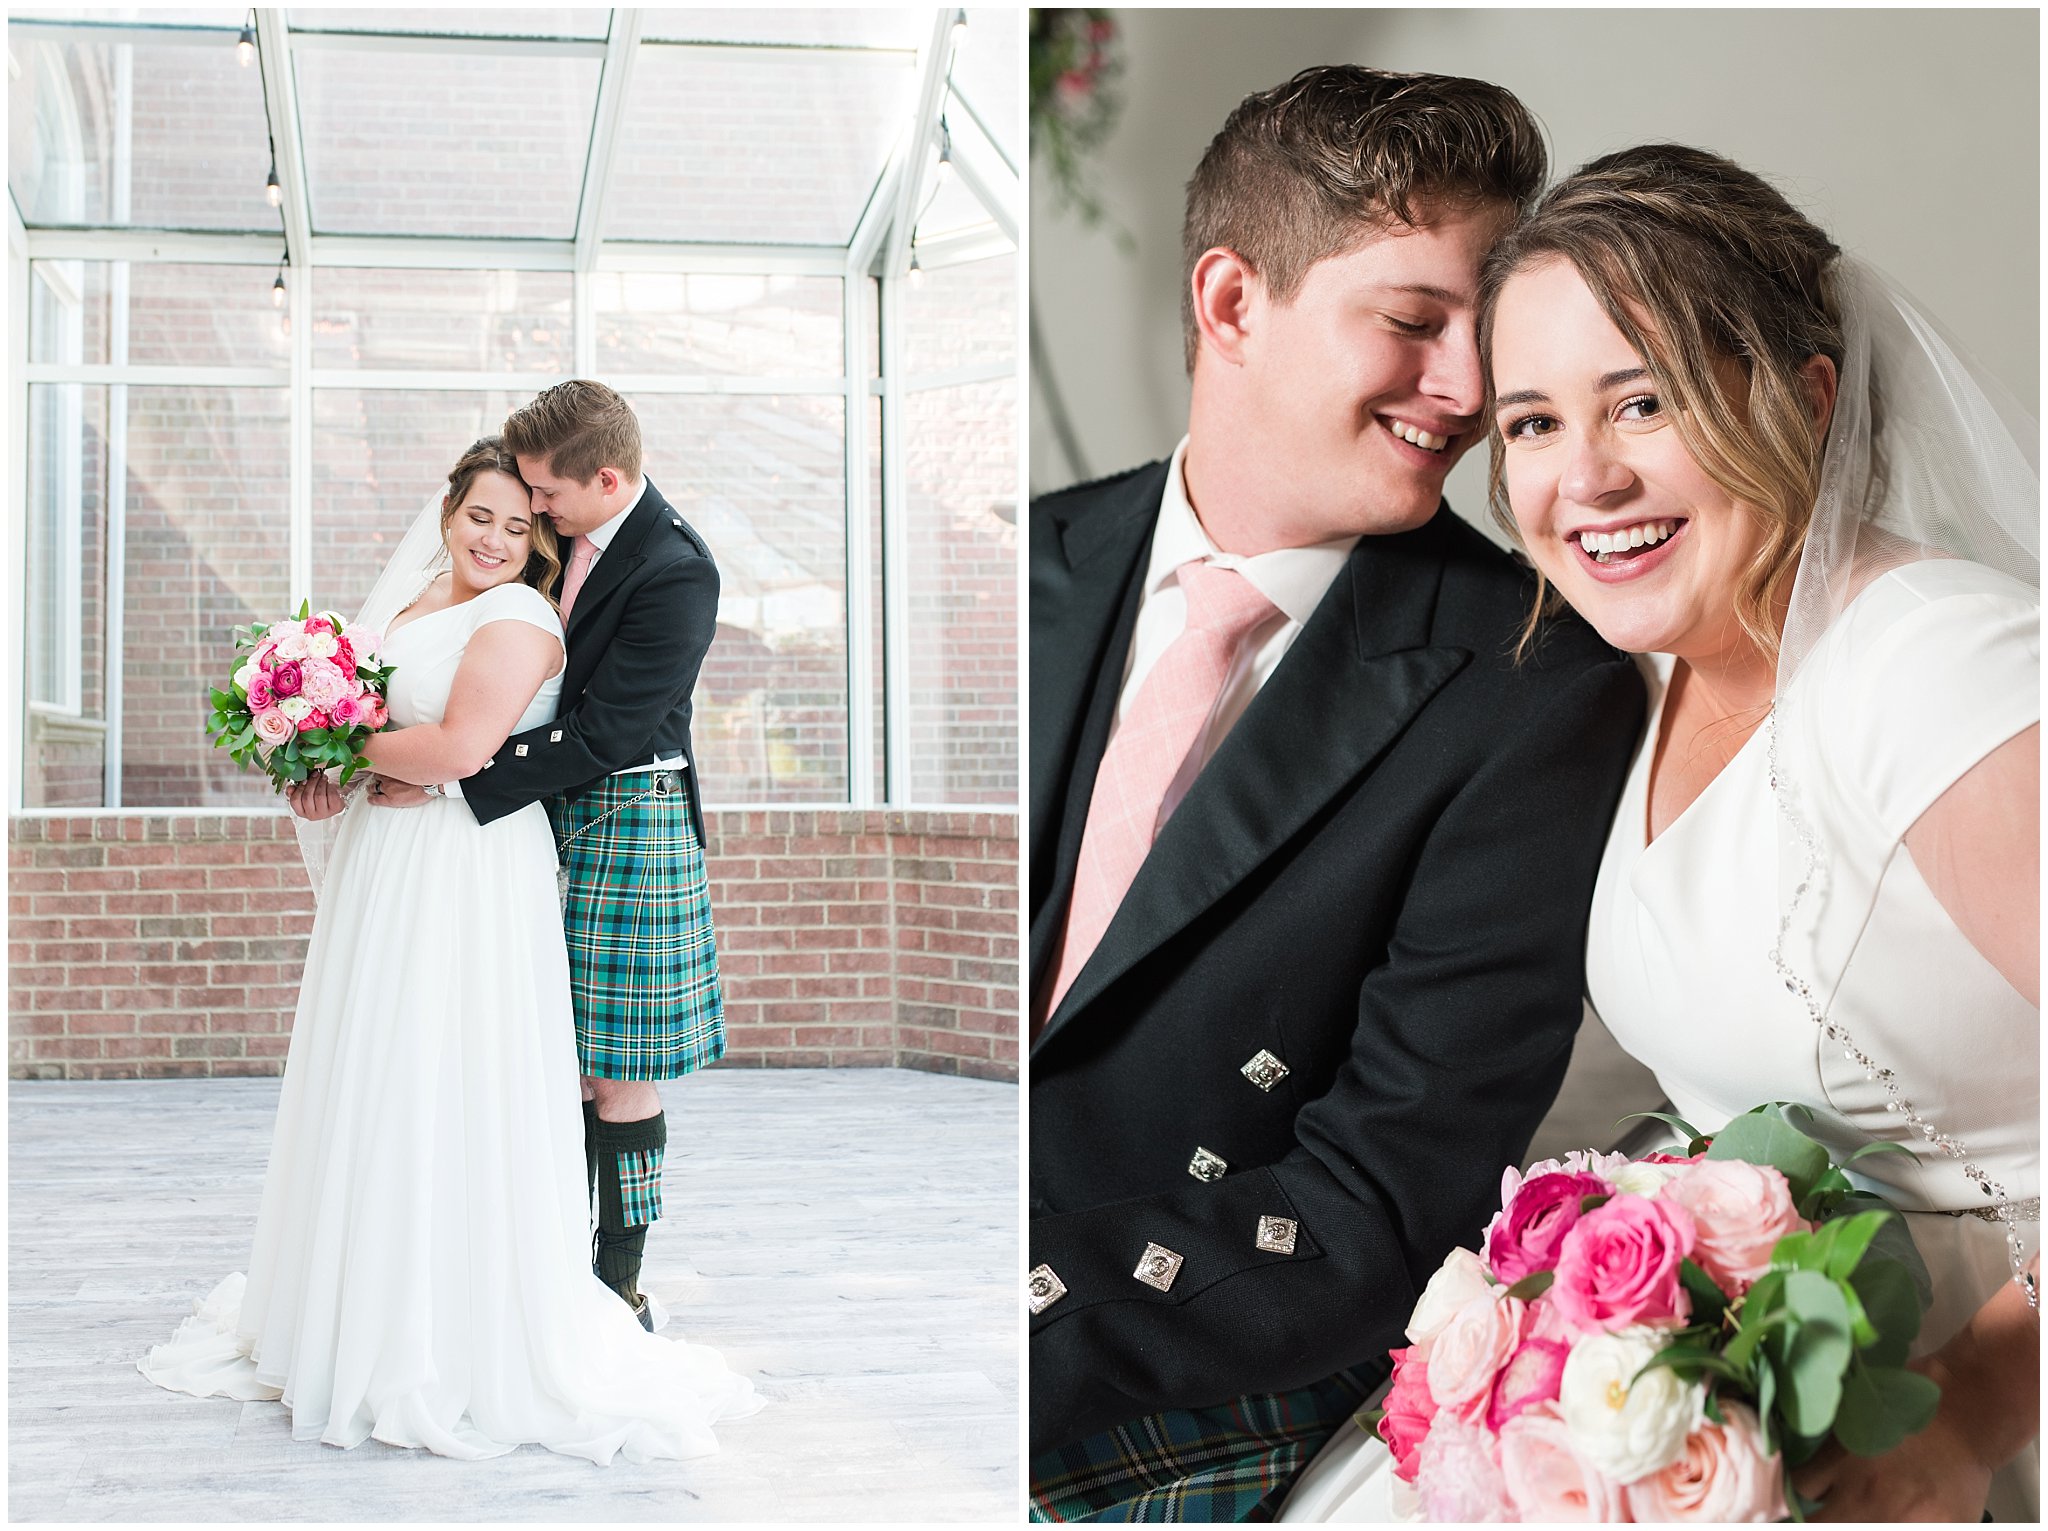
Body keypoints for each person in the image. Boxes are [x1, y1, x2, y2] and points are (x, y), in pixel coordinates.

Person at [1285, 145, 2038, 1522]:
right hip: (1770, 1401)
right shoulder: (1633, 678)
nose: (1589, 478)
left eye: (1645, 401)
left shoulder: (1933, 669)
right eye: (1532, 423)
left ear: (1809, 400)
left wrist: (1975, 1416)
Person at [1027, 66, 1646, 1520]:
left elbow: (1375, 1205)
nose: (1470, 393)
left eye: (1481, 339)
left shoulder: (1536, 686)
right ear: (1232, 302)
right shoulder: (1033, 557)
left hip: (1172, 1382)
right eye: (1416, 321)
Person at [138, 437, 761, 1460]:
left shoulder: (519, 616)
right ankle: (352, 1299)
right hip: (388, 859)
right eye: (484, 515)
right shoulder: (417, 599)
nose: (499, 537)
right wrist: (316, 758)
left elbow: (463, 749)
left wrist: (316, 731)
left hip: (465, 863)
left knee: (448, 1065)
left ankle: (512, 1305)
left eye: (522, 526)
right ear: (448, 509)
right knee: (373, 1066)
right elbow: (392, 724)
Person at [362, 381, 724, 1332]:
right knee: (535, 1049)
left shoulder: (679, 568)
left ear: (605, 477)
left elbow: (607, 733)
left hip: (628, 818)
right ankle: (541, 1253)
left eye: (545, 498)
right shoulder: (558, 539)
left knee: (623, 1063)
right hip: (538, 819)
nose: (533, 515)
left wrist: (449, 775)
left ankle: (619, 1279)